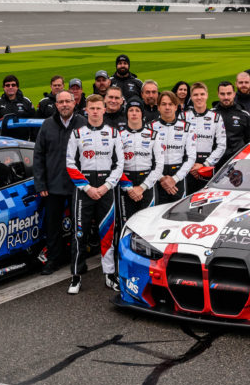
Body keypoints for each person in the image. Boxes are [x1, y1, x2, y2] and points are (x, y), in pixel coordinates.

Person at [65, 95, 124, 294]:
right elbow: (70, 164)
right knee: (79, 234)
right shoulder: (77, 134)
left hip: (106, 187)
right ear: (86, 110)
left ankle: (109, 274)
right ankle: (76, 275)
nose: (96, 111)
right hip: (84, 188)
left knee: (107, 233)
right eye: (92, 108)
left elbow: (119, 164)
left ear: (104, 109)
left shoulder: (114, 133)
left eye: (99, 108)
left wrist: (107, 186)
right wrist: (87, 187)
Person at [32, 90, 85, 274]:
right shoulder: (47, 125)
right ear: (56, 105)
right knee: (52, 225)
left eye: (67, 101)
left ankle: (78, 260)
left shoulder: (83, 124)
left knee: (79, 226)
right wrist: (41, 184)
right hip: (52, 186)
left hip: (77, 185)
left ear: (74, 103)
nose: (64, 105)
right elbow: (38, 156)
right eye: (60, 102)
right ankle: (53, 259)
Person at [119, 98, 164, 217]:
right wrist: (129, 188)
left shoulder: (153, 135)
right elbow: (116, 165)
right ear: (126, 113)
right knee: (126, 222)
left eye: (137, 110)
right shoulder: (118, 136)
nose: (134, 113)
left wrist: (142, 187)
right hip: (126, 184)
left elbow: (159, 164)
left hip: (147, 182)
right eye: (131, 110)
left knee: (148, 221)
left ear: (142, 114)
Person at [152, 90, 197, 205]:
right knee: (155, 214)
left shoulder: (187, 127)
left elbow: (191, 157)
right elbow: (148, 158)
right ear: (158, 107)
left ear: (176, 107)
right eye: (164, 104)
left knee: (178, 214)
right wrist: (161, 178)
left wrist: (175, 179)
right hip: (156, 177)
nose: (167, 107)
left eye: (170, 104)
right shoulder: (150, 127)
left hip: (178, 175)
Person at [184, 82, 226, 194]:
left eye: (202, 94)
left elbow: (221, 145)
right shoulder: (183, 116)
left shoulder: (216, 117)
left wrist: (204, 165)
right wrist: (190, 165)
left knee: (205, 198)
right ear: (191, 97)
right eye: (196, 95)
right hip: (187, 165)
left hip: (207, 165)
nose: (199, 97)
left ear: (207, 95)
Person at [214, 81, 250, 165]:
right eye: (222, 94)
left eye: (229, 94)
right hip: (216, 163)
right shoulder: (211, 115)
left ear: (234, 94)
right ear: (218, 94)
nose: (226, 97)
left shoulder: (244, 115)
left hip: (237, 162)